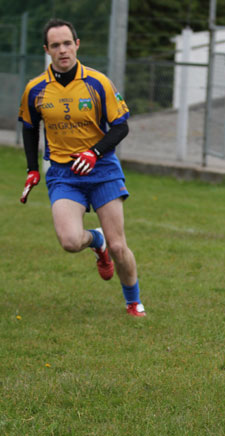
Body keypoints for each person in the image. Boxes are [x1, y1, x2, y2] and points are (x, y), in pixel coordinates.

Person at [18, 18, 146, 317]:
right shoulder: (35, 89)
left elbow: (120, 126)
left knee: (119, 246)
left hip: (102, 169)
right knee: (71, 241)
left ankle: (133, 300)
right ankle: (95, 240)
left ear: (77, 44)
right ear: (47, 50)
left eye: (67, 43)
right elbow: (28, 127)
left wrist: (94, 152)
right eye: (55, 45)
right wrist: (31, 168)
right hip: (63, 174)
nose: (62, 50)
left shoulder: (97, 82)